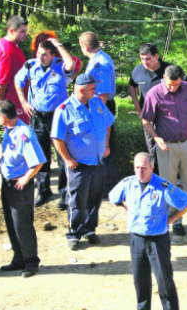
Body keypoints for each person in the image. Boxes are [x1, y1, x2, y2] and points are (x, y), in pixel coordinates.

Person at [110, 152, 187, 310]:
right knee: (139, 277)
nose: (140, 171)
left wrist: (172, 219)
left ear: (152, 168)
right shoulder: (128, 183)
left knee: (163, 278)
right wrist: (125, 212)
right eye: (137, 167)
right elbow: (113, 198)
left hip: (157, 239)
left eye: (144, 168)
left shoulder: (162, 186)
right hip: (136, 238)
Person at [140, 65, 187, 235]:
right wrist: (156, 138)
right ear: (164, 78)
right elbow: (145, 121)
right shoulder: (154, 93)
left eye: (177, 84)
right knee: (169, 184)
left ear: (182, 80)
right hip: (166, 145)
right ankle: (175, 220)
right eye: (170, 84)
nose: (173, 87)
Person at [15, 33, 81, 208]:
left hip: (58, 118)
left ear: (53, 55)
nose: (40, 57)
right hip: (37, 118)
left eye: (44, 54)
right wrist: (23, 101)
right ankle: (43, 191)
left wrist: (57, 44)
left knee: (62, 156)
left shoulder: (59, 65)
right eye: (39, 53)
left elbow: (72, 64)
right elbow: (17, 81)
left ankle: (64, 195)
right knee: (40, 156)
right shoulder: (30, 65)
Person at [51, 73, 115, 250]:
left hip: (98, 161)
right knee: (77, 200)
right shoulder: (64, 109)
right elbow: (57, 138)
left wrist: (107, 145)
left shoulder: (97, 103)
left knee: (95, 198)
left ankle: (89, 229)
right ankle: (74, 233)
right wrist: (67, 159)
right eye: (93, 88)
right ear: (81, 90)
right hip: (79, 164)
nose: (96, 91)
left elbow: (108, 124)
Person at [0, 99, 46, 278]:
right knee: (11, 222)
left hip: (20, 184)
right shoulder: (9, 130)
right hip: (7, 182)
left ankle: (31, 261)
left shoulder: (25, 134)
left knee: (22, 223)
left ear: (3, 117)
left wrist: (25, 179)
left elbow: (38, 161)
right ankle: (19, 257)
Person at [129, 43, 185, 163]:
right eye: (142, 58)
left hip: (169, 118)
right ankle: (156, 178)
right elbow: (132, 85)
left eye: (148, 58)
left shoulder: (170, 70)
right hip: (149, 118)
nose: (145, 62)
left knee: (172, 151)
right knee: (153, 151)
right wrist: (138, 107)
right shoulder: (138, 70)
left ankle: (174, 179)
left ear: (156, 56)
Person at [79, 31, 119, 191]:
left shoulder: (100, 64)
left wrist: (95, 116)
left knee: (104, 146)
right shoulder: (97, 59)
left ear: (86, 47)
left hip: (101, 108)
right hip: (97, 106)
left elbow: (102, 95)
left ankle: (107, 186)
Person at [0, 16, 30, 124]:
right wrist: (1, 102)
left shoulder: (4, 43)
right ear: (12, 31)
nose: (26, 34)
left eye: (26, 31)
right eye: (22, 31)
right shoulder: (8, 52)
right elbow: (1, 82)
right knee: (17, 132)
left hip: (16, 100)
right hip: (14, 102)